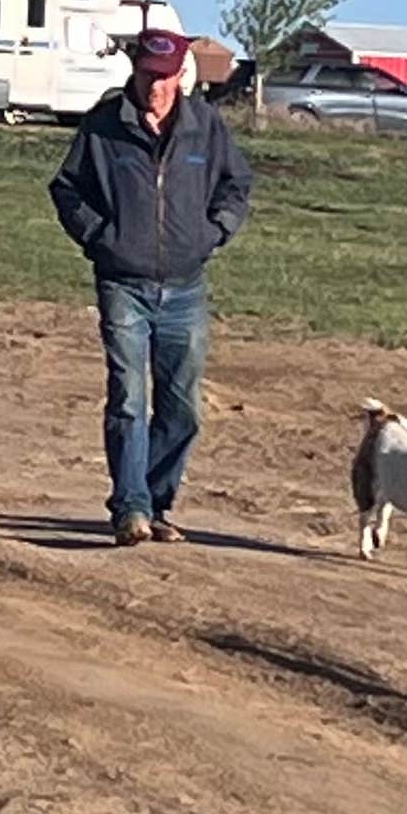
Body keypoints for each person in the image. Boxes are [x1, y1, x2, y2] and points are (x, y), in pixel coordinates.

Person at [48, 28, 253, 544]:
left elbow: (237, 184)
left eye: (164, 79)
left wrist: (215, 231)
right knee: (129, 398)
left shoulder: (205, 127)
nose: (155, 88)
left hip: (185, 286)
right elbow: (67, 188)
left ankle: (158, 502)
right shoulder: (104, 126)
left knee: (183, 406)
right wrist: (100, 237)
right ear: (133, 73)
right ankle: (131, 508)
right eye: (147, 77)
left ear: (180, 77)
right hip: (123, 283)